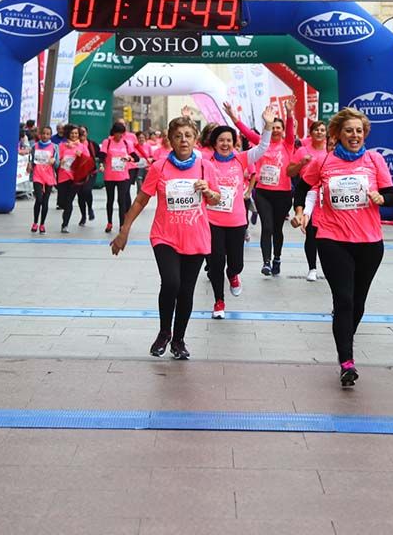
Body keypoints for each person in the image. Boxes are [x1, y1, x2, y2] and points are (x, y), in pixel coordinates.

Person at [294, 108, 393, 387]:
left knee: (358, 302)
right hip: (332, 239)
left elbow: (392, 197)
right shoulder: (324, 161)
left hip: (369, 242)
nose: (355, 135)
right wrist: (301, 211)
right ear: (338, 134)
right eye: (349, 131)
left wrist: (380, 198)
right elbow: (301, 187)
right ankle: (347, 361)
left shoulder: (375, 160)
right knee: (344, 300)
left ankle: (344, 334)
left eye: (359, 131)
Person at [111, 116, 222, 359]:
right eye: (178, 135)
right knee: (171, 283)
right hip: (165, 236)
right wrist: (124, 229)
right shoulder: (160, 167)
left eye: (188, 135)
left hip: (196, 237)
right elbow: (141, 199)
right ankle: (164, 332)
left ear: (195, 139)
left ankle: (179, 340)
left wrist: (209, 191)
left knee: (186, 291)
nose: (183, 140)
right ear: (170, 140)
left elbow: (217, 199)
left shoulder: (206, 167)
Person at [204, 124, 252, 316]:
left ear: (234, 143)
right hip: (211, 220)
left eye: (229, 140)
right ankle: (219, 301)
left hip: (236, 221)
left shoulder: (241, 159)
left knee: (236, 263)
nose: (225, 144)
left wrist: (266, 125)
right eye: (221, 140)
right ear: (214, 143)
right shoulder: (205, 162)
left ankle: (233, 274)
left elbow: (263, 146)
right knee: (215, 263)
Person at [250, 107, 295, 277]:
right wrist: (233, 116)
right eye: (273, 127)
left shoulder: (288, 144)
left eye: (279, 128)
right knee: (266, 227)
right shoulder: (261, 143)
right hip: (263, 192)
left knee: (277, 229)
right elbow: (245, 131)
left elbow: (291, 130)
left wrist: (289, 114)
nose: (275, 130)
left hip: (283, 193)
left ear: (283, 131)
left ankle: (277, 258)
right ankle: (266, 262)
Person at [288, 119, 329, 282]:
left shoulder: (331, 151)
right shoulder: (303, 150)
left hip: (326, 197)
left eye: (322, 130)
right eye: (317, 130)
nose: (320, 132)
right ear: (311, 133)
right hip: (308, 193)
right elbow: (289, 172)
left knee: (326, 235)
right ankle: (312, 268)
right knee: (311, 233)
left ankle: (328, 266)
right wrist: (301, 163)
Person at [100, 123, 142, 233]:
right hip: (109, 175)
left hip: (123, 176)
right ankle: (109, 222)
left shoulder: (126, 143)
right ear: (114, 133)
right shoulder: (107, 142)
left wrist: (129, 159)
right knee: (110, 199)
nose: (120, 136)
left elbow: (136, 158)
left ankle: (122, 225)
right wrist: (101, 164)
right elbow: (102, 156)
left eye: (122, 134)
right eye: (118, 134)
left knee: (121, 200)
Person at [56, 125, 90, 233]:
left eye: (76, 133)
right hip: (63, 176)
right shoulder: (61, 145)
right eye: (72, 133)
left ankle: (64, 224)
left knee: (69, 201)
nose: (74, 135)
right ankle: (65, 213)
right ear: (68, 134)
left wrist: (81, 156)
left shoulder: (82, 146)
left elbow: (88, 160)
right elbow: (57, 160)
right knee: (62, 202)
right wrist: (60, 162)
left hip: (75, 178)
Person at [28, 126, 59, 233]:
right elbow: (31, 161)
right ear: (40, 134)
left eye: (47, 134)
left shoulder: (54, 147)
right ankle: (35, 222)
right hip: (37, 176)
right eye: (43, 133)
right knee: (39, 199)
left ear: (50, 135)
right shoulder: (34, 146)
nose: (45, 136)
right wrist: (29, 166)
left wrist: (54, 161)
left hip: (49, 177)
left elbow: (57, 164)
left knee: (45, 201)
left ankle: (42, 224)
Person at [77, 125, 99, 225]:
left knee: (87, 190)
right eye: (80, 132)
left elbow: (100, 155)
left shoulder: (92, 144)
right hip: (79, 173)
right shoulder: (75, 145)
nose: (82, 134)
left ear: (87, 133)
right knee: (80, 195)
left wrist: (102, 164)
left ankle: (90, 208)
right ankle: (83, 216)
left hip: (91, 173)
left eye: (84, 132)